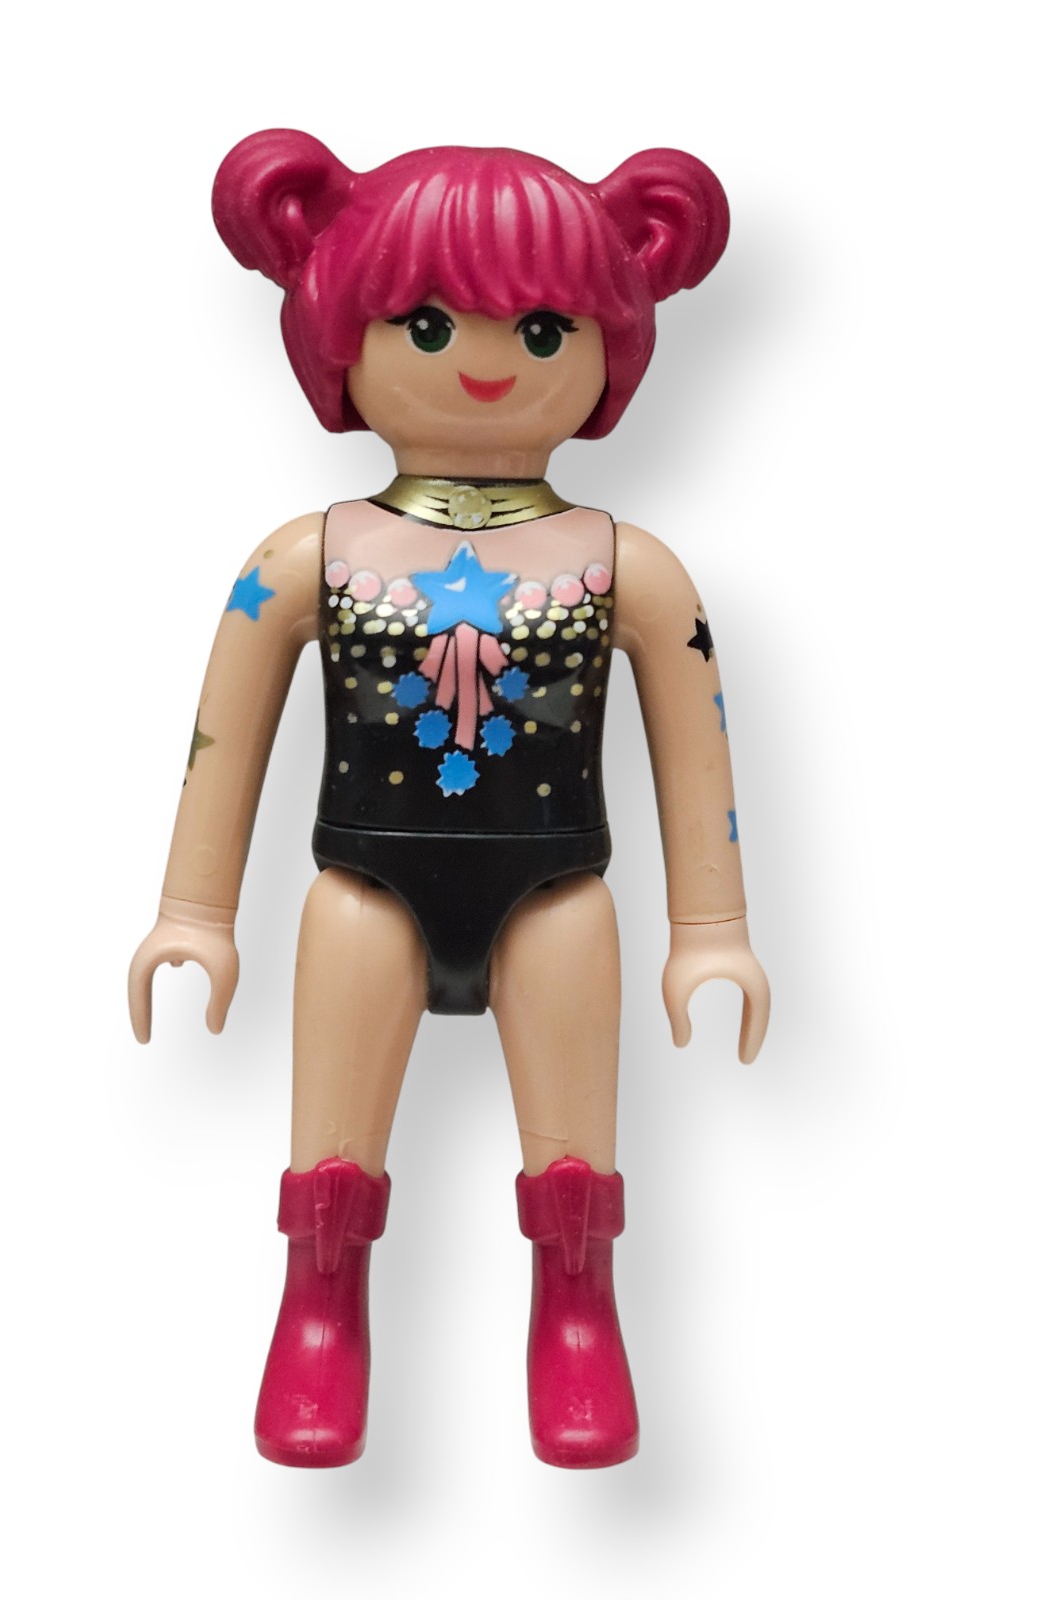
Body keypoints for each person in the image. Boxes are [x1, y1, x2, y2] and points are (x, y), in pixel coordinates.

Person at [128, 130, 770, 1469]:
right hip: (365, 883)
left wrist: (712, 931)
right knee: (333, 1144)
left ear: (606, 349)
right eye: (425, 324)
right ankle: (319, 1309)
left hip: (557, 887)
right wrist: (193, 911)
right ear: (342, 341)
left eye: (543, 329)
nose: (485, 361)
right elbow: (222, 742)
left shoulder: (626, 567)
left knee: (574, 1149)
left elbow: (695, 744)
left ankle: (578, 1313)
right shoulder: (306, 557)